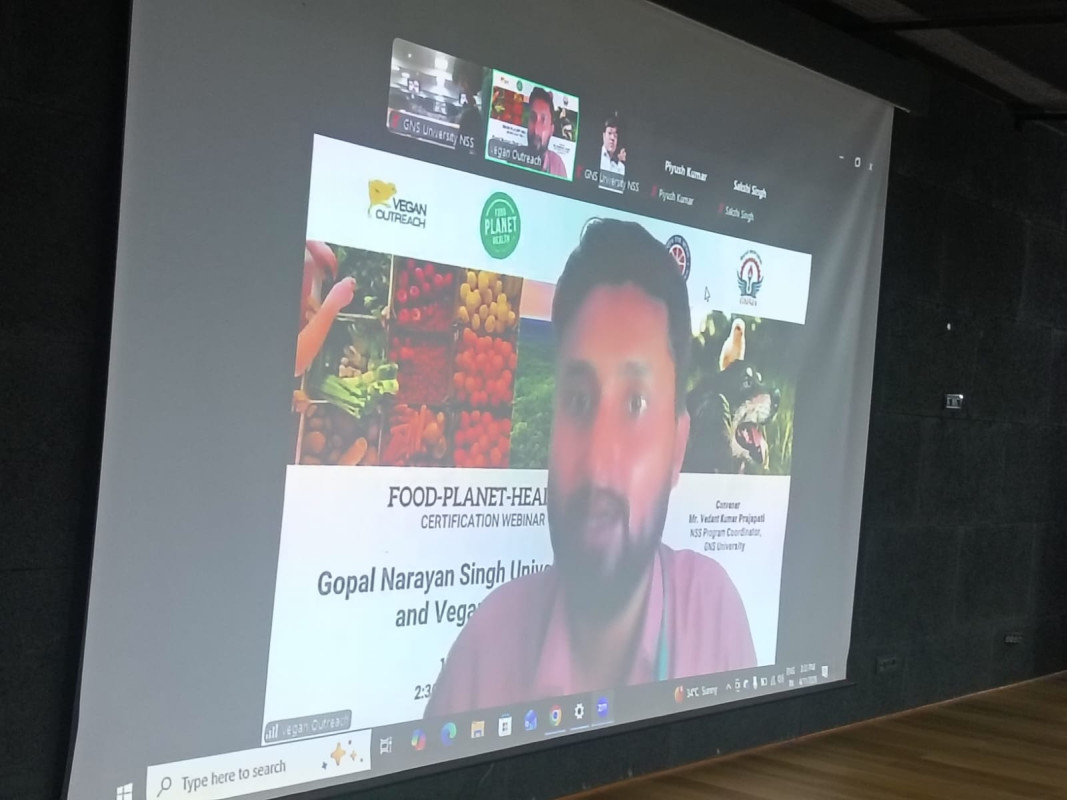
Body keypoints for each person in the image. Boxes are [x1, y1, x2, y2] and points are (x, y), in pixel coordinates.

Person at [425, 220, 756, 716]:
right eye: (579, 401)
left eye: (636, 403)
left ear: (678, 448)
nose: (598, 463)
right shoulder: (484, 652)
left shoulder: (713, 616)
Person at [525, 87, 568, 178]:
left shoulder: (558, 166)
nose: (536, 130)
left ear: (551, 130)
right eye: (533, 118)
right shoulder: (514, 156)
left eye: (543, 120)